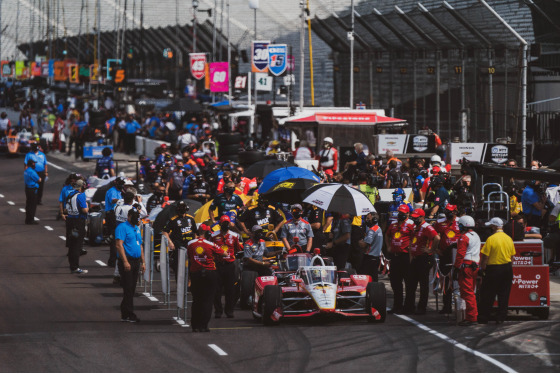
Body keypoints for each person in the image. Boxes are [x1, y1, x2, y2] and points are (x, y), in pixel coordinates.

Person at [187, 225, 226, 332]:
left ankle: (195, 325)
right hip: (209, 273)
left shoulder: (190, 243)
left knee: (196, 300)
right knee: (208, 300)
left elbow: (189, 256)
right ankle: (204, 325)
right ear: (207, 233)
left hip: (195, 273)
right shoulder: (211, 244)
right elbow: (224, 253)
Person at [478, 217, 516, 324]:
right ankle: (501, 317)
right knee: (504, 294)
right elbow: (512, 256)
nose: (490, 227)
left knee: (488, 294)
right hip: (507, 268)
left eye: (491, 226)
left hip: (493, 269)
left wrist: (482, 268)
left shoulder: (491, 239)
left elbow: (485, 257)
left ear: (494, 227)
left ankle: (484, 317)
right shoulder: (509, 238)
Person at [115, 207, 145, 323]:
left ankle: (125, 313)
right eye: (134, 217)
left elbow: (140, 246)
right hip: (127, 261)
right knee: (128, 288)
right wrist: (125, 261)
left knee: (131, 288)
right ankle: (130, 313)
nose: (137, 219)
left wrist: (143, 261)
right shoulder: (122, 227)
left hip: (136, 261)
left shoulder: (136, 228)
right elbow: (119, 245)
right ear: (129, 217)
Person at [408, 208, 440, 315]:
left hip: (424, 259)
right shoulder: (415, 227)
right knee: (411, 283)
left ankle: (422, 307)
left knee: (423, 284)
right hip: (415, 258)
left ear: (422, 217)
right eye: (413, 217)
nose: (414, 219)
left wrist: (431, 250)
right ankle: (410, 306)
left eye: (416, 218)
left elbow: (437, 238)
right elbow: (411, 242)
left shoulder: (427, 227)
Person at [385, 204, 415, 314]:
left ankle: (409, 306)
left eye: (402, 213)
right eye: (399, 212)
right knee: (395, 282)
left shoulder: (411, 224)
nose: (400, 214)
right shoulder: (393, 224)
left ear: (407, 214)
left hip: (406, 256)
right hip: (395, 256)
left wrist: (412, 253)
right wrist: (388, 246)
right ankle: (397, 305)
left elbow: (414, 238)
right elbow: (387, 235)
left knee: (409, 283)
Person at [212, 216, 243, 319]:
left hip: (230, 265)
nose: (225, 225)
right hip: (218, 264)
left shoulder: (235, 235)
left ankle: (229, 310)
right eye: (223, 223)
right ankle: (218, 311)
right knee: (217, 289)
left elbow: (238, 249)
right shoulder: (214, 235)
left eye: (227, 223)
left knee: (230, 289)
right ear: (220, 224)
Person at [453, 215, 481, 326]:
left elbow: (460, 254)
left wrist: (456, 268)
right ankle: (471, 316)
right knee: (470, 292)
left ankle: (472, 317)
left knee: (468, 293)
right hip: (475, 266)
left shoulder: (463, 237)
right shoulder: (476, 236)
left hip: (466, 267)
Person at [433, 204, 460, 314]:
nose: (449, 213)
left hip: (458, 255)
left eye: (451, 211)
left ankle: (460, 307)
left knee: (458, 280)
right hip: (445, 255)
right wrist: (435, 249)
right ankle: (447, 306)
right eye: (447, 211)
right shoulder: (439, 223)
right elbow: (432, 236)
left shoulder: (461, 221)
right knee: (446, 280)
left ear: (455, 211)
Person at [161, 201, 197, 277]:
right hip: (178, 247)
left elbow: (195, 232)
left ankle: (189, 285)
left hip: (190, 246)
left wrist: (196, 243)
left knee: (192, 267)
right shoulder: (173, 220)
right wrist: (170, 242)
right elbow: (164, 232)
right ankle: (179, 286)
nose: (182, 209)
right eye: (180, 207)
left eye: (183, 207)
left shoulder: (191, 219)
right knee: (179, 267)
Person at [65, 179, 89, 274]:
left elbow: (66, 209)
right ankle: (75, 267)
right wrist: (87, 205)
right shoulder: (81, 195)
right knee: (77, 245)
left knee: (71, 244)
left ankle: (72, 265)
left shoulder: (70, 194)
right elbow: (85, 210)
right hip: (78, 221)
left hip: (70, 220)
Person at [106, 177, 126, 267]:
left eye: (123, 183)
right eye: (120, 182)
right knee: (114, 237)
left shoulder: (121, 191)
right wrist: (123, 200)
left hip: (118, 214)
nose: (121, 184)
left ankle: (118, 258)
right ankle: (112, 260)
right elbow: (113, 200)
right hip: (112, 214)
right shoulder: (112, 190)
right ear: (116, 182)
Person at [358, 213, 383, 281]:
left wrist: (359, 242)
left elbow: (364, 244)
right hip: (376, 257)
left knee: (363, 277)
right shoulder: (379, 228)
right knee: (374, 277)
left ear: (374, 220)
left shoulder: (372, 230)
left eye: (368, 219)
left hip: (370, 257)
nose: (366, 220)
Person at [24, 159, 41, 225]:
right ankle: (31, 219)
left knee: (28, 204)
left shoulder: (26, 171)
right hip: (32, 189)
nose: (35, 165)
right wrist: (40, 178)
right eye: (34, 163)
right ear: (32, 164)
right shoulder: (32, 172)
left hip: (27, 188)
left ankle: (27, 219)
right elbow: (39, 179)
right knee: (32, 205)